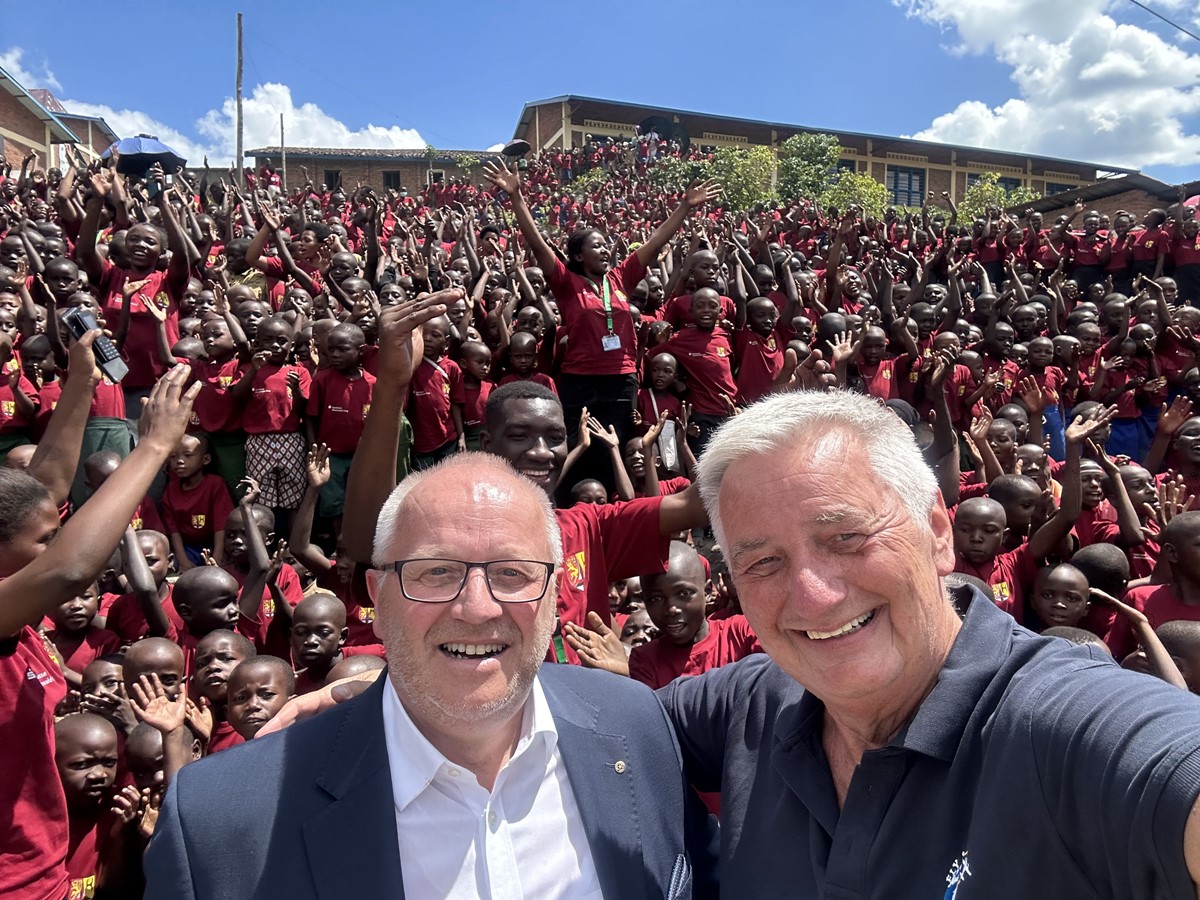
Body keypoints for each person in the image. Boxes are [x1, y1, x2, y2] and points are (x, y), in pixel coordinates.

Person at [656, 389, 1200, 897]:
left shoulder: (1061, 723)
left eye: (847, 537)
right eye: (763, 563)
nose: (814, 597)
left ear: (937, 532)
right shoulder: (748, 703)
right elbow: (590, 726)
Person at [144, 453, 715, 898]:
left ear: (553, 594)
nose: (478, 607)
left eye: (513, 573)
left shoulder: (636, 726)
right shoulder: (221, 820)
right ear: (377, 597)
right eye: (435, 572)